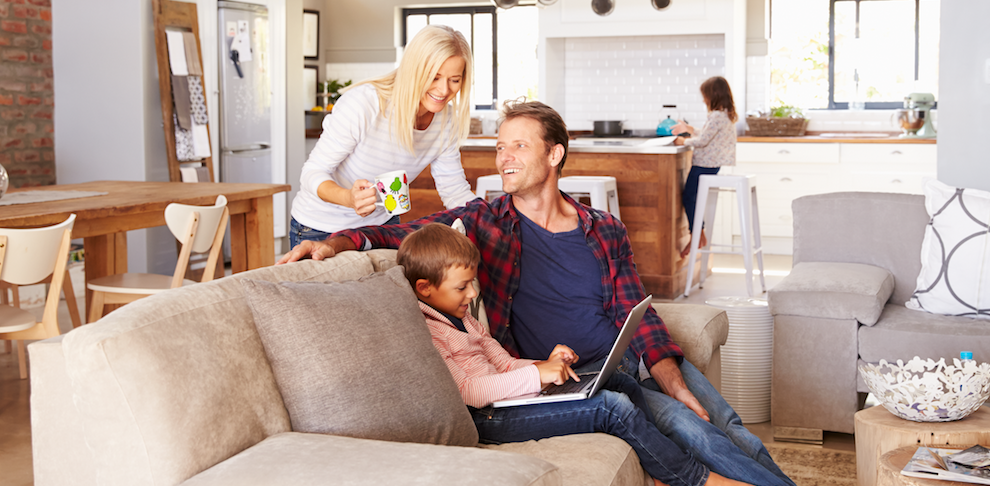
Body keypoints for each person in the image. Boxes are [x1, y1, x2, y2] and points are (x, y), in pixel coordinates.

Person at [278, 100, 795, 486]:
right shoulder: (485, 222)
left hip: (629, 361)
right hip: (578, 375)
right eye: (500, 146)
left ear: (555, 154)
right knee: (693, 429)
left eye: (517, 146)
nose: (502, 157)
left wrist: (674, 381)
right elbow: (409, 235)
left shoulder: (603, 228)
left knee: (724, 418)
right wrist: (340, 240)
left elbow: (639, 314)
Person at [397, 222, 748, 486]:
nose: (472, 293)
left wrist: (545, 365)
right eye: (462, 287)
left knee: (620, 381)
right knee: (612, 408)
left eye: (474, 282)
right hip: (488, 418)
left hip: (510, 400)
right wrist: (537, 376)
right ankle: (694, 479)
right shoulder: (429, 331)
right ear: (424, 289)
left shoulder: (464, 318)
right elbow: (469, 392)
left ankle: (657, 472)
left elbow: (502, 363)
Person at [288, 24, 478, 249]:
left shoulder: (446, 120)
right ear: (414, 70)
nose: (444, 90)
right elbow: (312, 173)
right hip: (321, 228)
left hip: (381, 228)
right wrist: (348, 198)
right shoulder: (365, 104)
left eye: (454, 80)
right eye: (434, 77)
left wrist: (488, 218)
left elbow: (454, 189)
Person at [671, 76, 739, 258]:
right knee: (692, 198)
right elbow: (708, 134)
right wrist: (689, 128)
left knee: (689, 198)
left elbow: (702, 141)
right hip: (711, 165)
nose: (703, 100)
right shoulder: (724, 114)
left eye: (705, 96)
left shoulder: (716, 116)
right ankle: (698, 235)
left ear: (713, 95)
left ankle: (697, 235)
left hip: (704, 164)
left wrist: (683, 140)